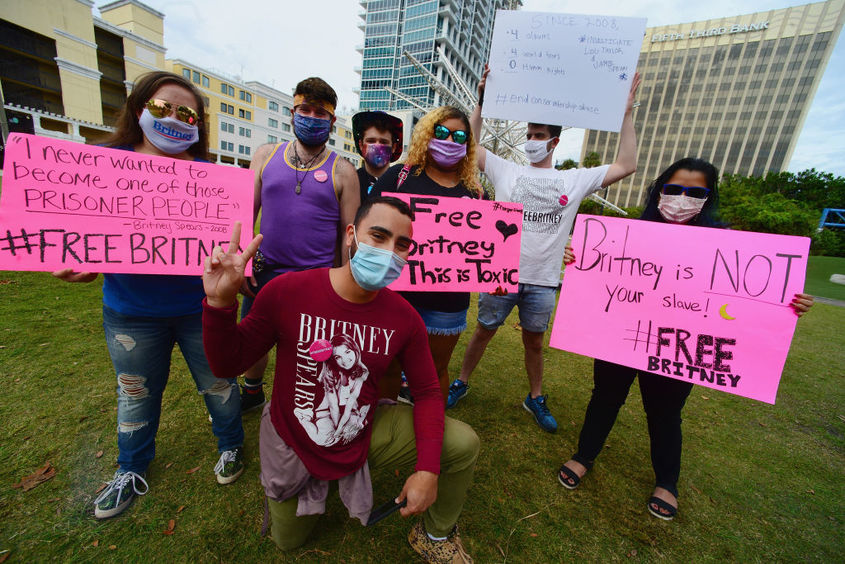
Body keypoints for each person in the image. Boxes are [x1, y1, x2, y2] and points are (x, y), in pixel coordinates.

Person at [201, 198, 479, 562]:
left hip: (360, 430)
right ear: (351, 235)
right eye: (378, 236)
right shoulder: (288, 291)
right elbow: (227, 364)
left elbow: (427, 391)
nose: (388, 252)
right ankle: (307, 487)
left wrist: (428, 470)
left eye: (401, 245)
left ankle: (436, 535)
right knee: (288, 541)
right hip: (293, 440)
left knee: (462, 442)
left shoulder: (404, 317)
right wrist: (219, 305)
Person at [556, 157, 815, 520]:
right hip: (619, 336)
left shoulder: (727, 247)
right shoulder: (628, 234)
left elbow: (753, 298)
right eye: (674, 189)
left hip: (677, 347)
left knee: (665, 412)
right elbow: (597, 274)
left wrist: (790, 304)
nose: (681, 199)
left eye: (695, 192)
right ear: (659, 190)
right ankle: (584, 456)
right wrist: (576, 259)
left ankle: (667, 482)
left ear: (708, 198)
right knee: (605, 397)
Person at [52, 71, 245, 519]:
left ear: (199, 124)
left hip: (200, 310)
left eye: (187, 113)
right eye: (162, 108)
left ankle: (232, 445)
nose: (175, 119)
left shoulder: (213, 181)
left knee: (219, 385)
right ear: (138, 109)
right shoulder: (101, 164)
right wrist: (77, 261)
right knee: (135, 393)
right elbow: (80, 235)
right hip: (131, 312)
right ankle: (130, 468)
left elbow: (232, 245)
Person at [450, 66, 641, 434]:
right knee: (483, 332)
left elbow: (627, 165)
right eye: (529, 134)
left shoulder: (574, 178)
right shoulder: (506, 170)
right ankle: (461, 381)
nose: (531, 140)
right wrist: (480, 103)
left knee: (534, 343)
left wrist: (626, 113)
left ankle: (534, 397)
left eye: (539, 135)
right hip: (501, 276)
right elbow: (469, 147)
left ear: (554, 142)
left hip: (543, 282)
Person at [238, 77, 360, 412]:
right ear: (293, 112)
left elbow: (348, 237)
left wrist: (343, 283)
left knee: (309, 351)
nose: (310, 116)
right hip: (264, 273)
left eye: (319, 112)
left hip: (315, 280)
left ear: (332, 121)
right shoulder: (265, 156)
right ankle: (252, 391)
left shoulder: (344, 172)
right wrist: (244, 266)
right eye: (304, 109)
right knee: (253, 342)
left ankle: (300, 403)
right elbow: (245, 216)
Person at [370, 106, 485, 403]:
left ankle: (429, 428)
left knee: (435, 370)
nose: (450, 140)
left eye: (459, 136)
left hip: (447, 302)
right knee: (390, 367)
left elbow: (484, 246)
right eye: (442, 132)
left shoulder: (474, 191)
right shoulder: (398, 177)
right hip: (394, 294)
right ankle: (386, 427)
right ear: (427, 134)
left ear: (468, 144)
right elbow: (366, 223)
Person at [352, 110, 404, 203]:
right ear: (360, 144)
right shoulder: (350, 181)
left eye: (384, 142)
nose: (377, 146)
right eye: (371, 141)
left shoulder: (402, 183)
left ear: (394, 147)